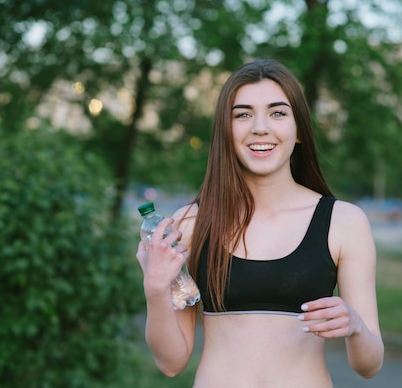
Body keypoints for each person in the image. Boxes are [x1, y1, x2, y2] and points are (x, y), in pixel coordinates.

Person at [135, 58, 383, 387]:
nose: (260, 127)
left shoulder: (344, 222)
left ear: (298, 132)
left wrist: (355, 325)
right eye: (243, 114)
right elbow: (170, 362)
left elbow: (369, 364)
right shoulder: (191, 223)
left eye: (278, 112)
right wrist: (155, 288)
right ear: (226, 130)